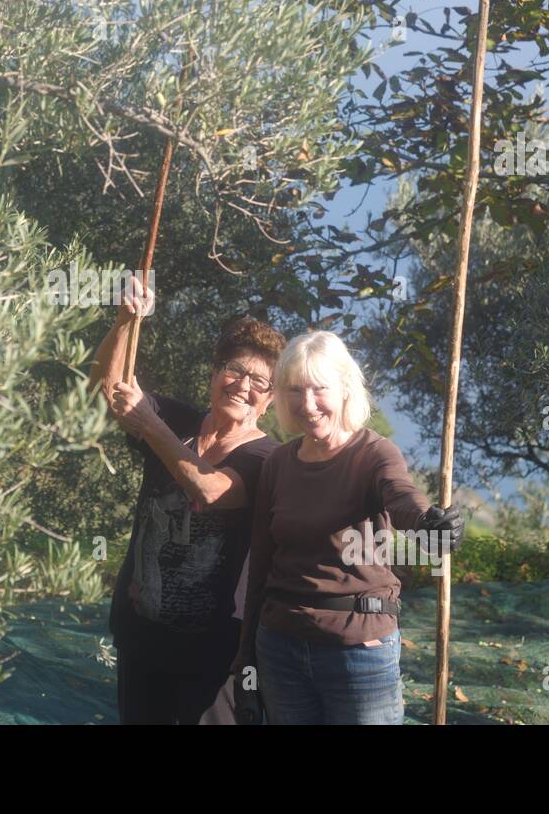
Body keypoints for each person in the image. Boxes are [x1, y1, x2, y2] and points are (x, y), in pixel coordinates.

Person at [231, 330, 465, 724]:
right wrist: (246, 658)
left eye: (319, 389)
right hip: (280, 646)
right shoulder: (278, 464)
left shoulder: (374, 454)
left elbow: (402, 496)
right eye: (295, 390)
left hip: (359, 650)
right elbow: (261, 564)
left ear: (344, 389)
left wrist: (430, 524)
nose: (308, 404)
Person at [90, 276, 285, 724]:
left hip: (214, 656)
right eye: (234, 370)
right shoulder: (178, 420)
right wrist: (125, 320)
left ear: (270, 399)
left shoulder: (266, 456)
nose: (242, 384)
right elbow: (110, 389)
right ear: (214, 373)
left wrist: (151, 427)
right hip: (140, 633)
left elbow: (212, 491)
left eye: (259, 380)